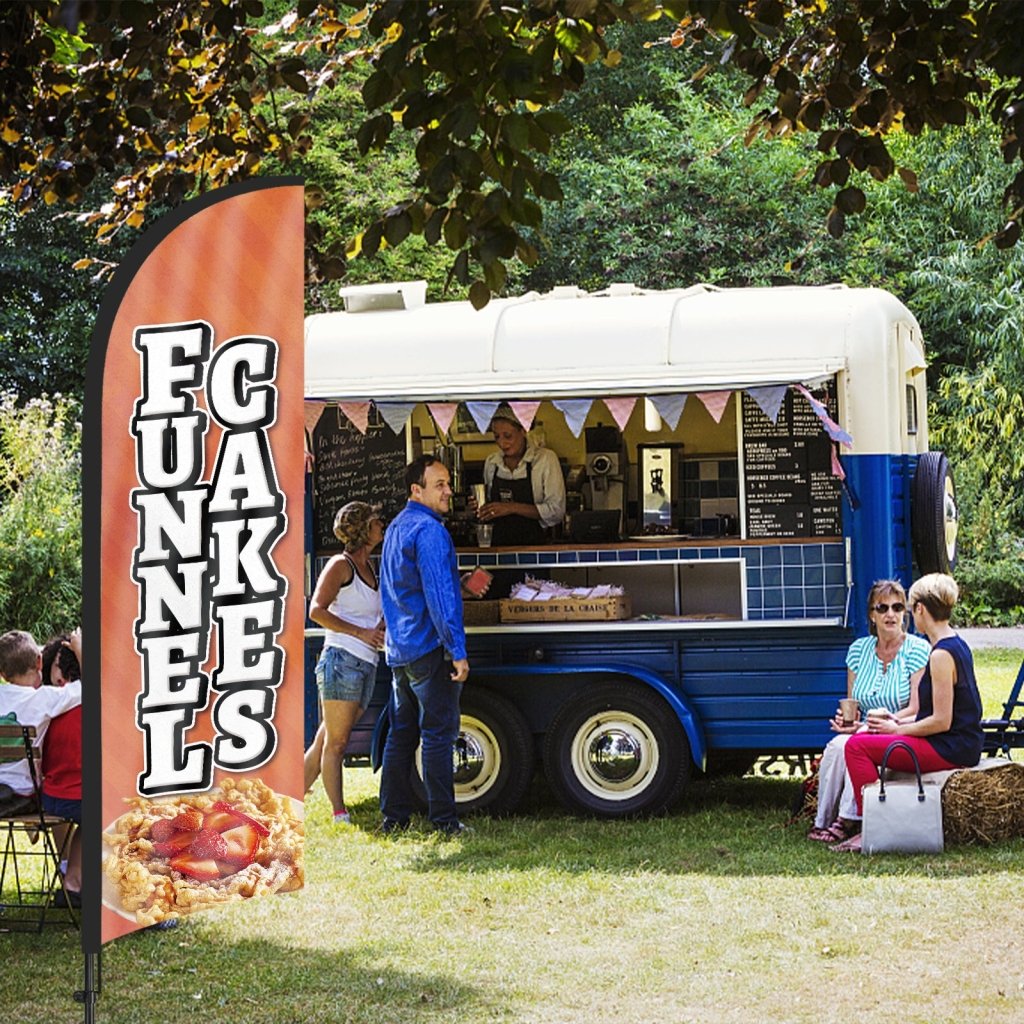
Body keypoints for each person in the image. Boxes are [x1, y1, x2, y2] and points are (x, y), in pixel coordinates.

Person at [834, 572, 984, 853]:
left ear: (920, 609)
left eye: (907, 607)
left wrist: (897, 730)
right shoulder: (956, 644)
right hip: (959, 742)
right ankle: (873, 818)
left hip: (951, 747)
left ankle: (873, 826)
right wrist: (893, 721)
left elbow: (942, 720)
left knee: (856, 747)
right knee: (864, 741)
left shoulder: (940, 655)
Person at [378, 454, 470, 836]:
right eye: (440, 485)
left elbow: (398, 590)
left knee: (401, 734)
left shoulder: (397, 527)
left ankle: (393, 819)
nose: (449, 491)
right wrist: (458, 650)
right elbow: (439, 596)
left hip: (399, 648)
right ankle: (445, 822)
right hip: (428, 647)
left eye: (448, 483)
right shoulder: (431, 532)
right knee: (437, 733)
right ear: (416, 490)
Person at [806, 580, 930, 844]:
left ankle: (848, 819)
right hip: (866, 729)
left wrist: (884, 723)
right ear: (872, 616)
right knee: (837, 745)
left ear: (905, 613)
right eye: (882, 608)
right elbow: (853, 702)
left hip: (901, 728)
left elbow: (917, 709)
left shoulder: (917, 649)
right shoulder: (858, 650)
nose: (890, 614)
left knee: (857, 744)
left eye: (897, 607)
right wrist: (847, 720)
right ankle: (823, 819)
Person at [308, 501, 386, 826]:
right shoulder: (341, 566)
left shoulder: (370, 567)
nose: (381, 524)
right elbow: (316, 610)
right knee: (337, 743)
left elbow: (368, 612)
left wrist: (378, 627)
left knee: (325, 738)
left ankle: (288, 798)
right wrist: (362, 632)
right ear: (363, 530)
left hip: (364, 663)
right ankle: (339, 812)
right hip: (341, 661)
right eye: (375, 521)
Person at [0, 629, 82, 817]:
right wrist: (80, 650)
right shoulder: (44, 698)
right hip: (24, 795)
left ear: (3, 674)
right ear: (39, 662)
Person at [477, 406, 566, 546]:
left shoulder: (545, 459)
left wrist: (511, 507)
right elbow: (490, 508)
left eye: (508, 436)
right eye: (496, 436)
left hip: (533, 549)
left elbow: (556, 512)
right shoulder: (492, 462)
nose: (501, 443)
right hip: (498, 549)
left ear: (524, 430)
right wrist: (481, 507)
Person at [40, 632, 83, 907]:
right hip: (80, 799)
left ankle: (73, 883)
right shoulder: (93, 700)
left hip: (49, 799)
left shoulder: (44, 704)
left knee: (89, 822)